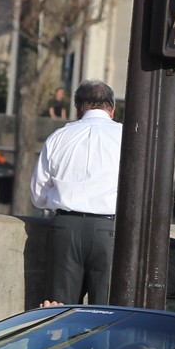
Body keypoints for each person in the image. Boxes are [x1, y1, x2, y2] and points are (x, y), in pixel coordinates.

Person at [30, 79, 122, 305]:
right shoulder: (127, 137)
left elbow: (37, 194)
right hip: (110, 230)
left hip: (66, 228)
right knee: (109, 313)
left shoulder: (58, 137)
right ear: (112, 109)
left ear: (77, 108)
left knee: (58, 312)